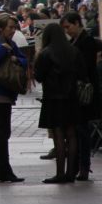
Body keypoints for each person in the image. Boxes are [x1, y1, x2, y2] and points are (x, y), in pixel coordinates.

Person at [34, 23, 81, 183]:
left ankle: (60, 172)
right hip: (72, 98)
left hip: (53, 98)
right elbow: (83, 73)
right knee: (72, 133)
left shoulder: (46, 53)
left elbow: (38, 76)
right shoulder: (73, 51)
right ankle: (71, 172)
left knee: (58, 134)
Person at [0, 14, 28, 183]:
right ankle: (3, 170)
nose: (13, 30)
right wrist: (3, 50)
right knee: (3, 131)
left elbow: (24, 61)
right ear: (1, 28)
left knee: (2, 132)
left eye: (14, 27)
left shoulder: (12, 44)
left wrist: (16, 58)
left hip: (7, 91)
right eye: (10, 27)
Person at [60, 10, 99, 181]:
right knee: (78, 130)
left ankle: (84, 166)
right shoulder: (75, 40)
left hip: (84, 92)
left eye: (68, 27)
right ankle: (78, 166)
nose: (66, 31)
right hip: (76, 92)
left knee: (82, 130)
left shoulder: (86, 41)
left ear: (77, 23)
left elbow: (85, 67)